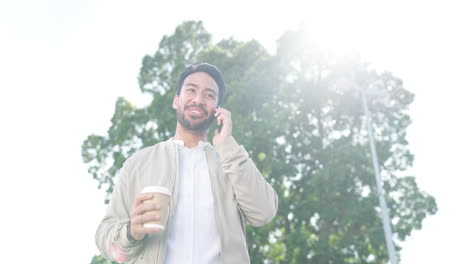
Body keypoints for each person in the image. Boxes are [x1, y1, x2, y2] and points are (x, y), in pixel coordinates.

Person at [96, 62, 278, 264]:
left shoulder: (232, 162)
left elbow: (264, 213)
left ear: (217, 109)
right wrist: (131, 232)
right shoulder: (138, 164)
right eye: (191, 90)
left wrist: (228, 146)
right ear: (176, 100)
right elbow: (106, 241)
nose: (198, 100)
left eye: (209, 95)